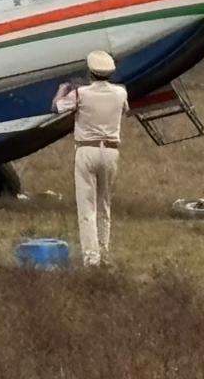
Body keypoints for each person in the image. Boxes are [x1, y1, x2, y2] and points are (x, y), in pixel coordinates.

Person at [52, 50, 128, 267]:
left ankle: (91, 258)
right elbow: (125, 111)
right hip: (111, 150)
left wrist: (62, 90)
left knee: (87, 207)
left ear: (91, 72)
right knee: (105, 204)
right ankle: (104, 252)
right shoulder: (120, 93)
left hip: (87, 149)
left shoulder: (81, 94)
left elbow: (56, 108)